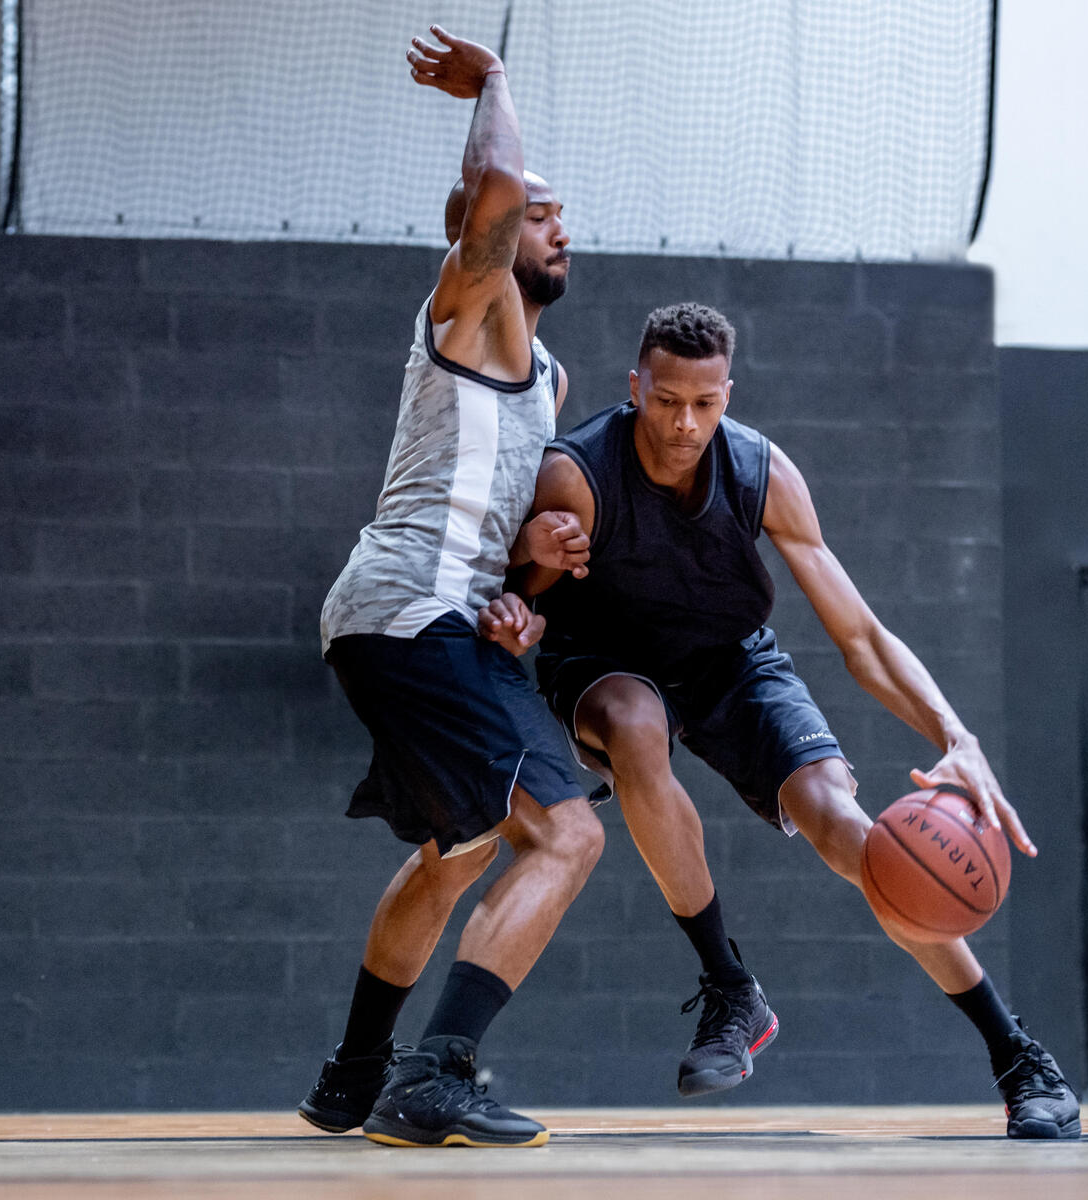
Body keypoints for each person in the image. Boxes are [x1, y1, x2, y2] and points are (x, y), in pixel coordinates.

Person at [515, 302, 1082, 1139]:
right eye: (666, 399)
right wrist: (531, 557)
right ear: (634, 387)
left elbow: (860, 637)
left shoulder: (760, 472)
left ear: (727, 397)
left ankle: (1020, 1060)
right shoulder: (578, 473)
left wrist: (956, 739)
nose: (684, 423)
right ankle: (729, 987)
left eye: (704, 405)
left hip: (730, 660)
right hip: (607, 663)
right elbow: (515, 593)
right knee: (636, 725)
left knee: (860, 837)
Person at [298, 26, 601, 1149]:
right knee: (567, 837)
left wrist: (532, 576)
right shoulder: (468, 310)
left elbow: (503, 535)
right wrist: (499, 85)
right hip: (407, 611)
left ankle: (352, 1077)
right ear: (490, 235)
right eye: (545, 214)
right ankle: (441, 1072)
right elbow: (498, 188)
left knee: (463, 848)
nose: (559, 226)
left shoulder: (546, 376)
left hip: (425, 620)